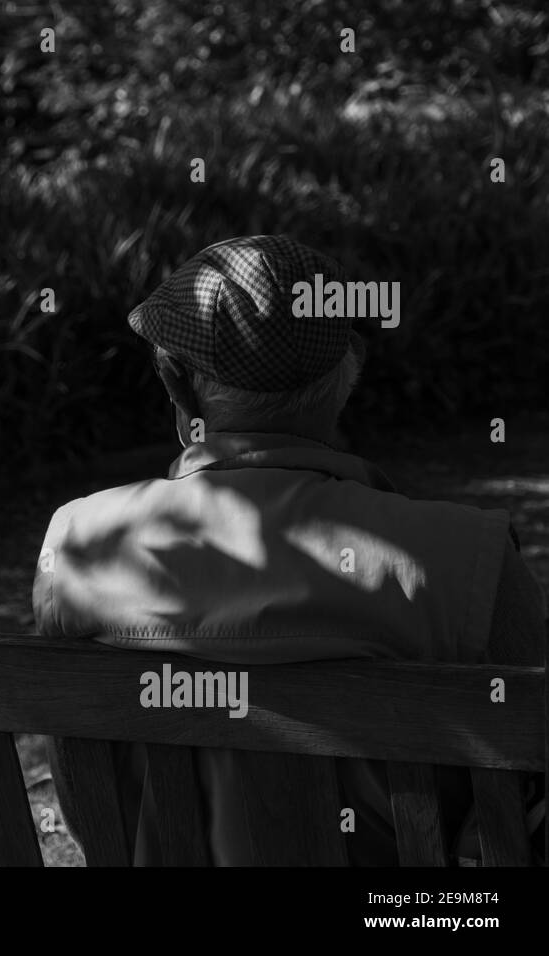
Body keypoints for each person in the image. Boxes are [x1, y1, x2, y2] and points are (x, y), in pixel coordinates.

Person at [33, 234, 545, 865]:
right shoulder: (471, 560)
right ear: (347, 375)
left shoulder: (79, 547)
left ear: (178, 388)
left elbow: (86, 795)